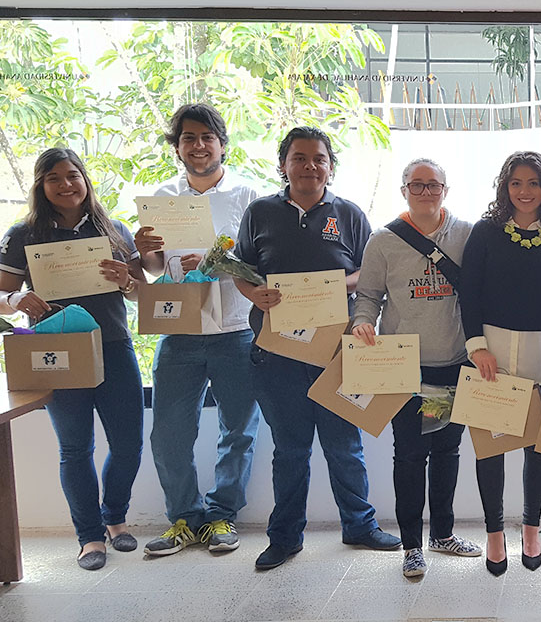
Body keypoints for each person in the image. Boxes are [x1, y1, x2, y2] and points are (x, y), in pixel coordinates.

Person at [233, 127, 400, 570]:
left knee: (345, 445)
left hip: (336, 352)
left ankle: (360, 526)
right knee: (289, 450)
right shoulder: (259, 212)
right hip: (277, 354)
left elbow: (369, 272)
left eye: (319, 158)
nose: (310, 166)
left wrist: (329, 286)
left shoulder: (348, 214)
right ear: (284, 164)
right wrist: (255, 294)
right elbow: (241, 270)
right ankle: (285, 537)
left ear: (330, 165)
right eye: (300, 158)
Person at [0, 148, 145, 570]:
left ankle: (114, 517)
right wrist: (15, 298)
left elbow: (140, 292)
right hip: (56, 351)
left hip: (113, 346)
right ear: (40, 186)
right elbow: (1, 296)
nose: (66, 185)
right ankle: (89, 537)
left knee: (129, 444)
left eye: (72, 176)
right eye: (53, 178)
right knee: (75, 448)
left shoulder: (114, 229)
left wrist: (127, 281)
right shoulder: (22, 235)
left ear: (85, 179)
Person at [135, 103, 263, 557]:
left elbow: (261, 264)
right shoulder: (160, 197)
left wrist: (214, 261)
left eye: (207, 137)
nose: (198, 145)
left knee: (239, 430)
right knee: (169, 431)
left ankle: (221, 516)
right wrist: (145, 251)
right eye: (188, 138)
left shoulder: (249, 198)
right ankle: (184, 520)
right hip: (180, 330)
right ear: (177, 147)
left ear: (222, 144)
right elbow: (152, 268)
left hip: (236, 330)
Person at [351, 158, 481, 578]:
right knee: (409, 456)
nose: (426, 192)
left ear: (446, 189)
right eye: (417, 185)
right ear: (404, 189)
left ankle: (442, 534)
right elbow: (367, 295)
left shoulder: (465, 234)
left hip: (455, 364)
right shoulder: (384, 241)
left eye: (433, 185)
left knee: (447, 451)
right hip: (405, 369)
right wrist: (362, 321)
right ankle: (411, 546)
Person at [460, 151, 541, 576]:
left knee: (536, 446)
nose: (525, 192)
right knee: (491, 447)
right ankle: (493, 533)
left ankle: (530, 528)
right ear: (505, 188)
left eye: (534, 183)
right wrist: (477, 347)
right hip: (492, 352)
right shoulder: (485, 232)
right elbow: (468, 292)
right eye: (516, 183)